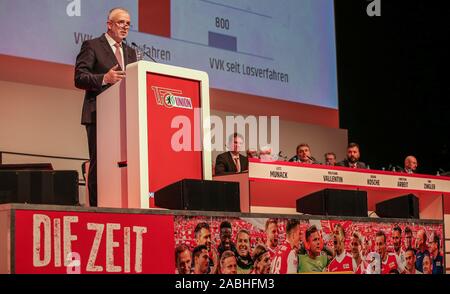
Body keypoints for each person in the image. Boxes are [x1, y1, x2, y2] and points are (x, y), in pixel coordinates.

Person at [74, 7, 137, 207]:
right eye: (121, 22)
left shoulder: (130, 51)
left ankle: (119, 205)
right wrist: (104, 78)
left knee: (123, 166)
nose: (125, 27)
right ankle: (96, 208)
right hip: (98, 114)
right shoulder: (92, 45)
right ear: (109, 24)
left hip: (124, 116)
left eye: (128, 23)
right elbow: (79, 77)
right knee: (100, 165)